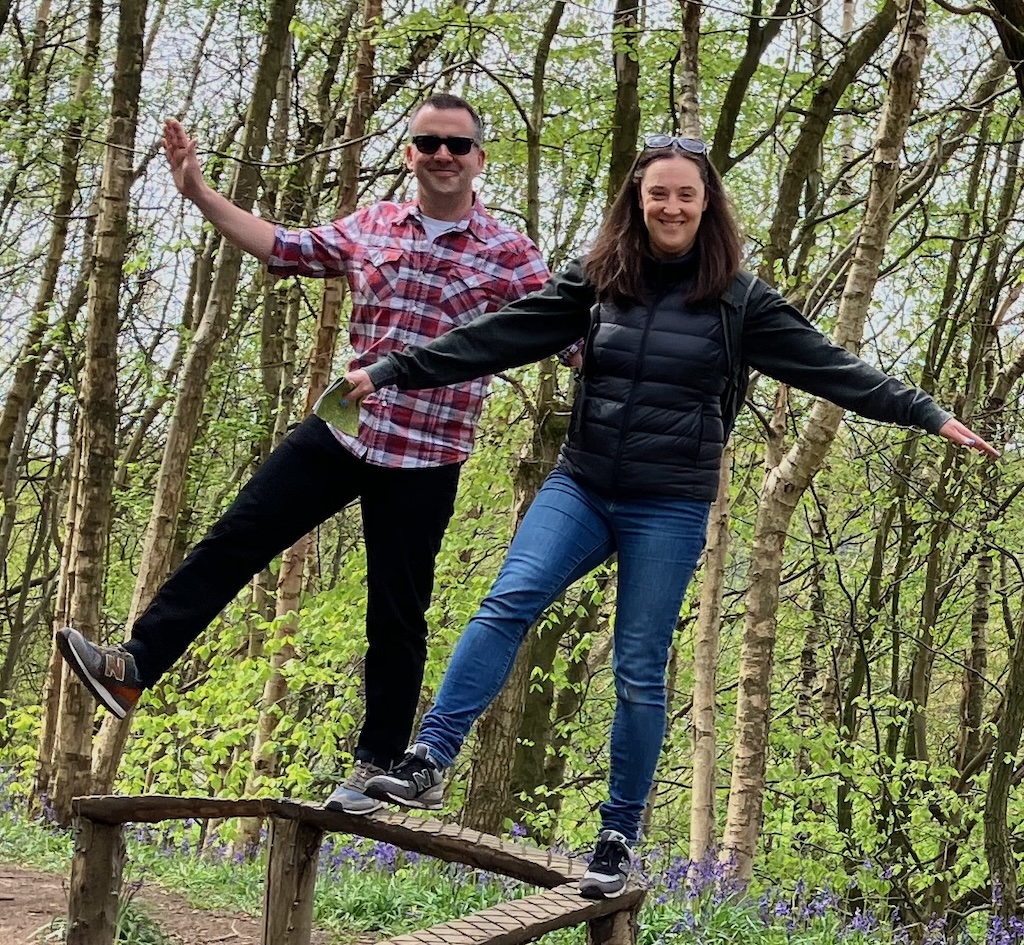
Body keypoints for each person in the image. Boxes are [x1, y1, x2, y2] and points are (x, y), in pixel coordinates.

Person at [338, 134, 997, 897]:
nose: (671, 206)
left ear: (707, 203)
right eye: (658, 193)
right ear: (638, 200)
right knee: (506, 602)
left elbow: (833, 367)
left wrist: (925, 412)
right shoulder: (596, 279)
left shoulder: (740, 301)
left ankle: (618, 834)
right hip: (580, 484)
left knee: (640, 667)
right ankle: (428, 760)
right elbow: (495, 337)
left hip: (671, 503)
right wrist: (393, 368)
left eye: (686, 194)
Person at [55, 94, 550, 814]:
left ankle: (377, 764)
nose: (443, 155)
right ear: (409, 153)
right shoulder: (374, 224)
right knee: (236, 537)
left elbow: (568, 334)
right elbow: (283, 246)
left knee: (396, 610)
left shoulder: (510, 254)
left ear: (479, 158)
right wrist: (197, 191)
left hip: (428, 453)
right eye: (428, 142)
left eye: (457, 145)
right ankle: (133, 665)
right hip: (344, 430)